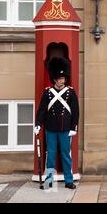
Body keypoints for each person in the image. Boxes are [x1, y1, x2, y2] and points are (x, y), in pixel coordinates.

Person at [34, 57, 79, 189]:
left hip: (65, 129)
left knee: (66, 155)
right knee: (51, 155)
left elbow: (75, 111)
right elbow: (42, 110)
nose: (62, 80)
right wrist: (38, 124)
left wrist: (74, 127)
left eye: (63, 78)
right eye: (59, 78)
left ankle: (68, 181)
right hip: (51, 129)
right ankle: (48, 181)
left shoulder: (70, 92)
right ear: (55, 79)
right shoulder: (47, 93)